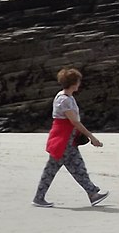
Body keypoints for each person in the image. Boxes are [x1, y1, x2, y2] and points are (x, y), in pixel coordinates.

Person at [33, 68, 109, 208]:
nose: (79, 84)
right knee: (55, 169)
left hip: (67, 140)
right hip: (63, 140)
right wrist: (91, 137)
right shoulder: (64, 100)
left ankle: (92, 194)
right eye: (78, 81)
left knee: (77, 167)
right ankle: (39, 198)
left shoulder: (65, 97)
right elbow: (74, 121)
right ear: (73, 83)